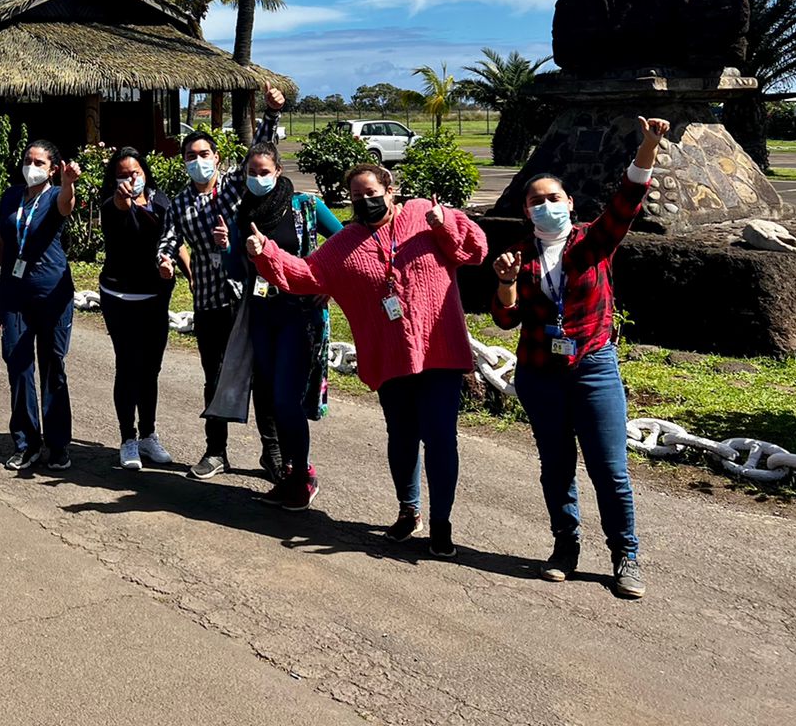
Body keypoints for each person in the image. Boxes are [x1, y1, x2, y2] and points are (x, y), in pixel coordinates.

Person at [246, 163, 488, 557]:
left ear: (390, 189)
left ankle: (441, 523)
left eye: (372, 192)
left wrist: (445, 223)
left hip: (439, 352)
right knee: (402, 437)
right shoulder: (346, 243)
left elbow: (475, 249)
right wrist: (267, 253)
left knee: (441, 438)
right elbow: (306, 274)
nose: (365, 201)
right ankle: (409, 511)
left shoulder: (423, 216)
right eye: (357, 196)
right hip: (390, 357)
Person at [490, 116, 668, 600]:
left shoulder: (594, 241)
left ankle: (625, 554)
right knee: (556, 465)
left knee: (610, 468)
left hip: (593, 367)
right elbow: (506, 322)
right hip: (539, 374)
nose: (546, 206)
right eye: (536, 201)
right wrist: (505, 282)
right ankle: (565, 547)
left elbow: (627, 200)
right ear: (526, 212)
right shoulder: (518, 257)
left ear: (569, 203)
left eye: (554, 198)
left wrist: (647, 148)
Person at [155, 82, 287, 481]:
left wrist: (271, 112)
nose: (199, 162)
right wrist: (163, 258)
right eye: (192, 157)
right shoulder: (179, 202)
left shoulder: (232, 185)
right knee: (214, 375)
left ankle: (273, 453)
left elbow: (259, 151)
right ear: (184, 163)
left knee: (262, 374)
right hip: (209, 301)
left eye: (204, 154)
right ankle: (216, 451)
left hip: (249, 297)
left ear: (217, 158)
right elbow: (169, 237)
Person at [233, 143, 342, 510]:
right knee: (273, 398)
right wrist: (234, 249)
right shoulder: (243, 212)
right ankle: (293, 470)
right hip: (263, 316)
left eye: (264, 171)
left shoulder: (305, 207)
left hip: (299, 314)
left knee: (286, 397)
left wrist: (328, 284)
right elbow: (235, 270)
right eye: (252, 172)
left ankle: (303, 476)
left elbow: (346, 244)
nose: (258, 178)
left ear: (279, 171)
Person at [0, 140, 82, 472]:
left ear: (53, 168)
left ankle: (58, 444)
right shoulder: (11, 196)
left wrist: (68, 184)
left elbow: (66, 206)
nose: (31, 166)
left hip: (52, 294)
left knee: (53, 366)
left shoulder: (55, 195)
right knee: (18, 365)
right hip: (14, 294)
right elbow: (1, 242)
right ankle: (26, 443)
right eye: (28, 160)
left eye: (39, 162)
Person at [98, 147, 176, 471]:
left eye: (135, 172)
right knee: (128, 366)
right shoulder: (111, 204)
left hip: (154, 298)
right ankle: (127, 438)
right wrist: (122, 200)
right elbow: (117, 217)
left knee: (151, 369)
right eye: (122, 174)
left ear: (144, 171)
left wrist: (170, 262)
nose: (130, 179)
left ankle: (148, 434)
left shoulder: (162, 202)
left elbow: (171, 239)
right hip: (120, 298)